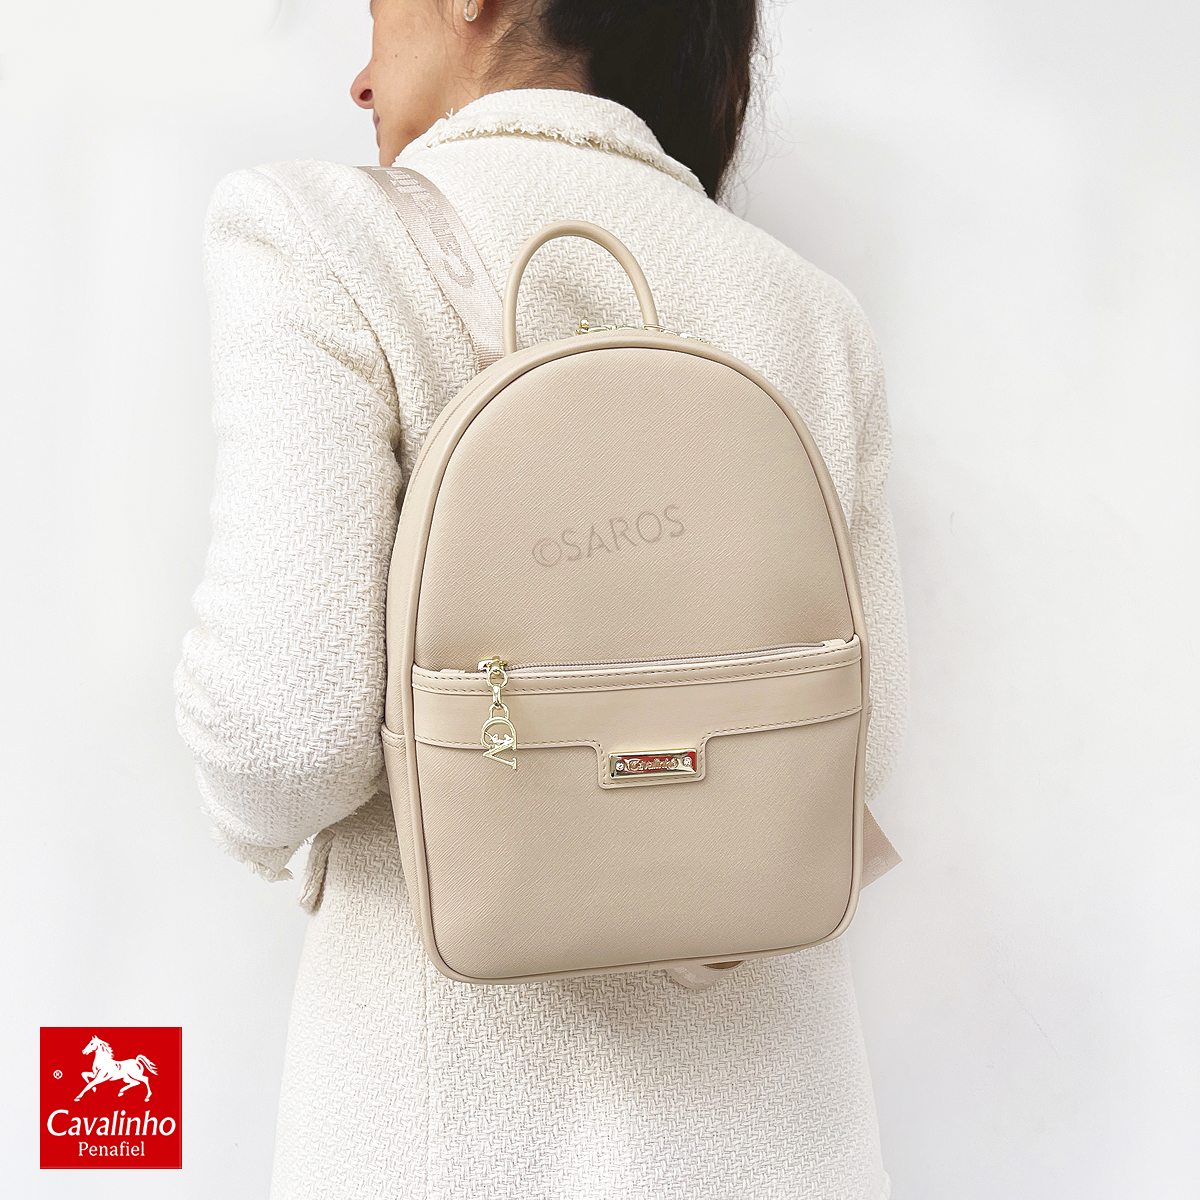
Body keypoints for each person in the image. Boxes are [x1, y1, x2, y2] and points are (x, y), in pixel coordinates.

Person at [174, 1, 909, 1196]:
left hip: (460, 1136)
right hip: (778, 1138)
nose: (360, 80)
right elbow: (858, 753)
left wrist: (264, 834)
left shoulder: (320, 236)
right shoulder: (812, 313)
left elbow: (283, 733)